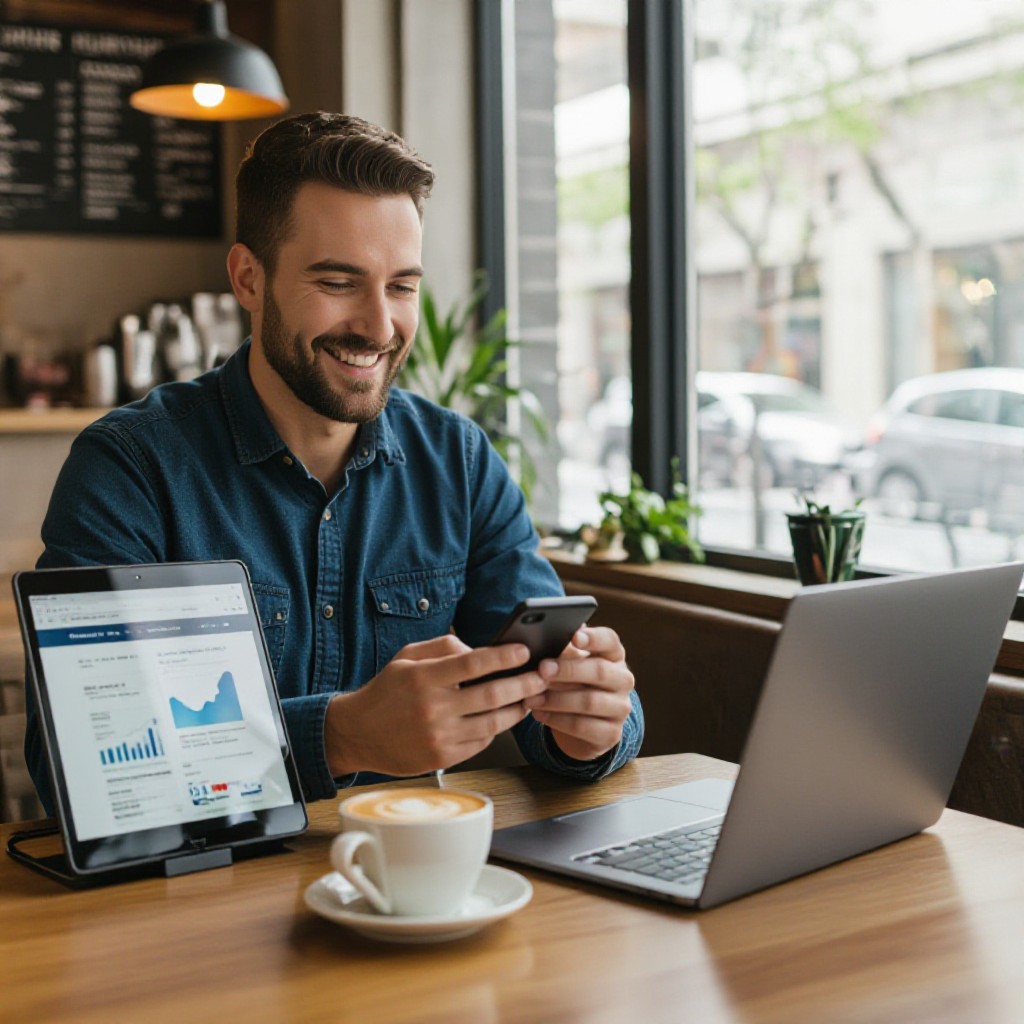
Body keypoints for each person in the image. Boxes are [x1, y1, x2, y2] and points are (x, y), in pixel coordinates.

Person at [26, 112, 643, 812]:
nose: (379, 327)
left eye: (402, 286)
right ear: (249, 279)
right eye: (339, 281)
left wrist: (586, 728)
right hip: (199, 898)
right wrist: (340, 738)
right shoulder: (130, 468)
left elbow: (562, 698)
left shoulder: (460, 462)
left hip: (413, 895)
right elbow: (73, 767)